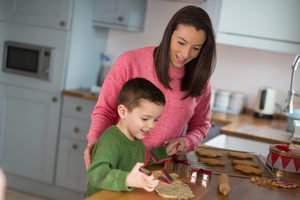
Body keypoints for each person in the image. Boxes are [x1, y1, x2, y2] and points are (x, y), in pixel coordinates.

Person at [84, 5, 216, 169]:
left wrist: (186, 141)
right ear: (169, 35)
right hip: (117, 166)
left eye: (196, 48)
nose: (185, 54)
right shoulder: (131, 62)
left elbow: (201, 125)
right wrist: (95, 142)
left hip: (162, 172)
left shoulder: (200, 81)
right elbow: (105, 111)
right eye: (181, 42)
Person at [85, 78, 180, 197]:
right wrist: (128, 180)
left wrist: (165, 151)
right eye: (145, 119)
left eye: (155, 119)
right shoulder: (110, 140)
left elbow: (144, 159)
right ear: (123, 112)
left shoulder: (136, 141)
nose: (151, 126)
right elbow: (96, 174)